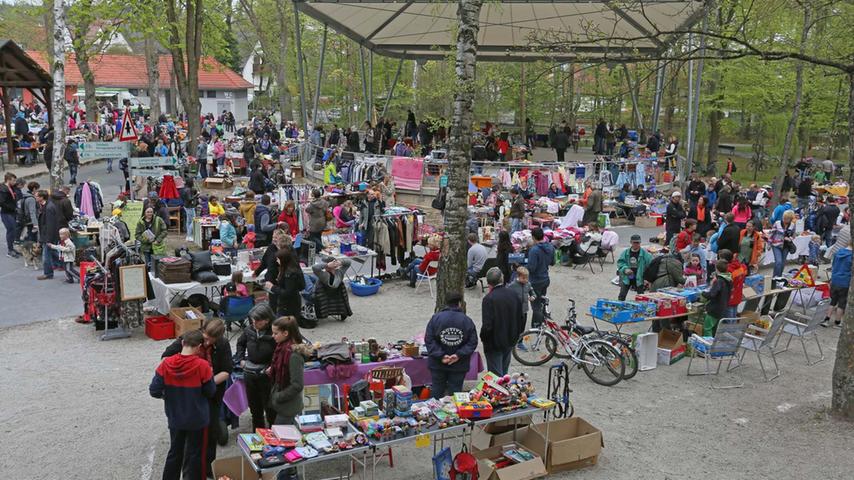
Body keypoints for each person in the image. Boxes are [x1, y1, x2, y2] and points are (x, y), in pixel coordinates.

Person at [161, 319, 233, 478]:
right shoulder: (189, 339)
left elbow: (227, 370)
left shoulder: (222, 345)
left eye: (210, 340)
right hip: (187, 400)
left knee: (210, 436)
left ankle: (208, 470)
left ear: (218, 338)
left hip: (210, 396)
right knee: (186, 444)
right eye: (205, 337)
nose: (205, 341)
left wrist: (206, 381)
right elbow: (165, 357)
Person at [149, 330, 215, 480]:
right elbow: (210, 391)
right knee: (195, 454)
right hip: (197, 418)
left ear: (182, 343)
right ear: (199, 347)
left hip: (175, 417)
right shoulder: (202, 366)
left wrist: (169, 396)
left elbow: (154, 390)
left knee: (175, 452)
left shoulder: (166, 364)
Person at [425, 293, 478, 399]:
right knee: (456, 394)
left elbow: (429, 340)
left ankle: (434, 413)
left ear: (446, 303)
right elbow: (472, 342)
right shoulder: (467, 320)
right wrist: (458, 355)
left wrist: (441, 355)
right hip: (459, 364)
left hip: (438, 364)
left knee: (437, 391)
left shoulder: (436, 318)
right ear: (459, 303)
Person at [481, 267, 524, 376]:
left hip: (494, 343)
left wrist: (484, 339)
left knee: (495, 377)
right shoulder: (513, 294)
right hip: (510, 339)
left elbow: (487, 325)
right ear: (502, 278)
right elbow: (521, 318)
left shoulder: (489, 299)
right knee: (504, 373)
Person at [269, 316, 312, 425]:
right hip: (282, 405)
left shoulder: (293, 356)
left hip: (289, 408)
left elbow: (297, 385)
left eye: (275, 333)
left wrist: (279, 396)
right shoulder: (282, 348)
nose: (272, 336)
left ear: (285, 333)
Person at [648, 253, 685, 332]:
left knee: (655, 312)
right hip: (664, 287)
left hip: (654, 287)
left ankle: (655, 334)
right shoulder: (675, 263)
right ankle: (665, 334)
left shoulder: (662, 260)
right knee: (665, 312)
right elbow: (679, 279)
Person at [527, 228, 555, 328]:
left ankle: (536, 325)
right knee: (542, 301)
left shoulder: (534, 250)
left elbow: (531, 268)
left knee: (535, 305)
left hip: (535, 281)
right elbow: (553, 262)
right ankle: (542, 321)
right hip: (545, 278)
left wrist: (522, 266)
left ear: (533, 237)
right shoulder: (551, 247)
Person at [312, 256, 353, 323]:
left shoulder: (329, 274)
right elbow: (314, 267)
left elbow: (314, 267)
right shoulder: (335, 273)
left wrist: (338, 262)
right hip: (330, 292)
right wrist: (330, 264)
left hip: (329, 293)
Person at [268, 248, 305, 320]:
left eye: (278, 259)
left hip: (288, 305)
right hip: (293, 302)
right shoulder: (293, 268)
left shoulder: (289, 274)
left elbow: (287, 292)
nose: (277, 261)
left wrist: (272, 287)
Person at [823, 241, 851, 328]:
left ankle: (826, 319)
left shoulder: (839, 252)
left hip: (835, 279)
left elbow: (834, 265)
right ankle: (837, 322)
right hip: (845, 281)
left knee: (832, 300)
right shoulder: (851, 256)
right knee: (841, 303)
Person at [702, 260, 733, 336]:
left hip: (714, 308)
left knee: (707, 328)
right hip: (722, 307)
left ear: (717, 269)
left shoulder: (719, 281)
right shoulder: (729, 278)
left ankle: (708, 345)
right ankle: (714, 343)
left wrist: (703, 293)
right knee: (715, 328)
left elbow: (712, 294)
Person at [617, 234, 651, 301]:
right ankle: (620, 308)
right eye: (634, 242)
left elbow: (651, 264)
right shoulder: (625, 252)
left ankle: (641, 309)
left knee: (641, 297)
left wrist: (648, 279)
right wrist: (625, 269)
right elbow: (620, 262)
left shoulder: (645, 254)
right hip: (627, 277)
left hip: (639, 278)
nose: (636, 244)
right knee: (622, 295)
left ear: (640, 243)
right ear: (631, 242)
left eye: (637, 243)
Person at [769, 210, 796, 277]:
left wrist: (790, 239)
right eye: (784, 218)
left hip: (786, 246)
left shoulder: (792, 225)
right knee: (778, 262)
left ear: (790, 219)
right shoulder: (777, 223)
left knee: (782, 263)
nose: (784, 219)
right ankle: (775, 278)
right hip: (776, 245)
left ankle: (779, 277)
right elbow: (771, 234)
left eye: (787, 218)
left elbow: (794, 235)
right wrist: (769, 244)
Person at [0, 172, 20, 258]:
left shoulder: (11, 187)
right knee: (11, 230)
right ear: (8, 180)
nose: (15, 182)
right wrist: (12, 208)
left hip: (12, 212)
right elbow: (2, 202)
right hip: (6, 213)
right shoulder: (3, 189)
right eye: (13, 180)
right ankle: (10, 250)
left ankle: (12, 248)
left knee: (14, 229)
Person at [306, 189, 329, 253]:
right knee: (319, 235)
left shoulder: (312, 204)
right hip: (322, 220)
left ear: (313, 195)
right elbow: (327, 206)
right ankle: (318, 250)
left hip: (314, 221)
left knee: (312, 236)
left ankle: (322, 247)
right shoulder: (324, 202)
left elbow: (307, 210)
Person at [181, 178, 199, 242]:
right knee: (193, 220)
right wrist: (196, 195)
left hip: (186, 206)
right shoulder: (188, 190)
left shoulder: (184, 189)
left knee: (188, 221)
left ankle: (189, 236)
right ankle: (189, 235)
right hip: (189, 206)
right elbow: (189, 199)